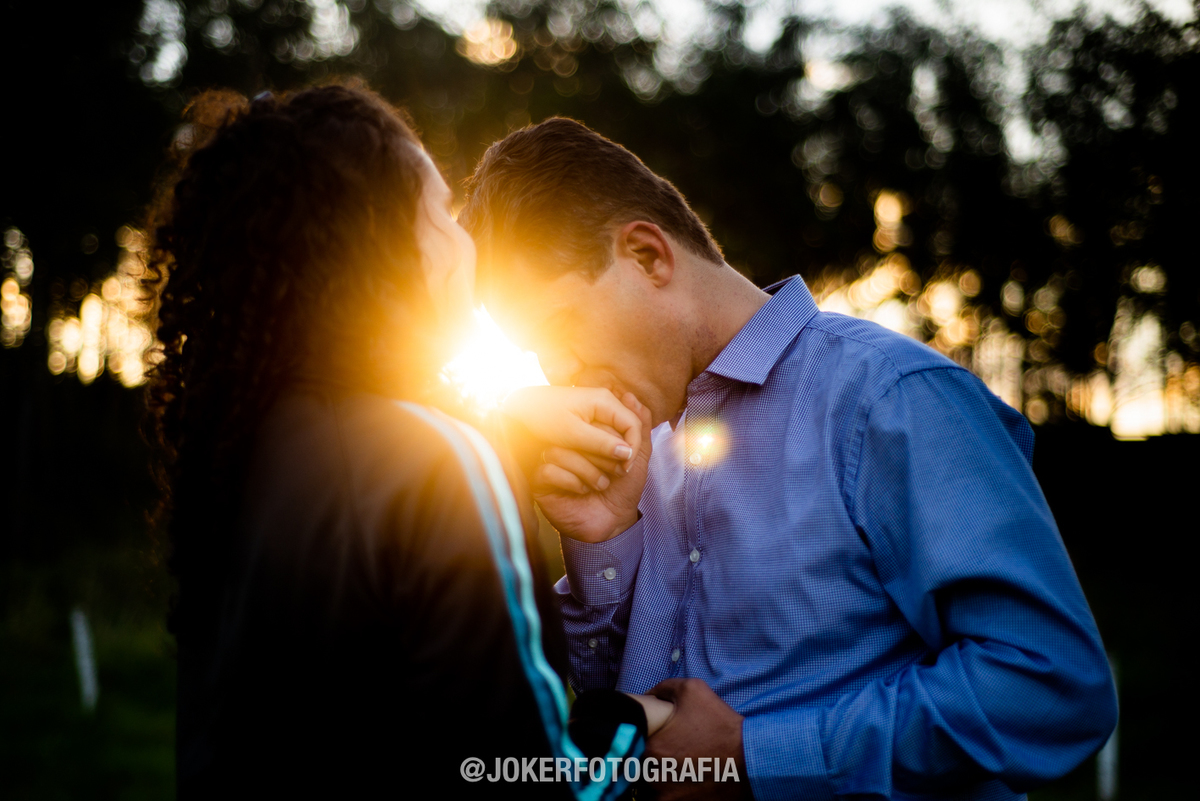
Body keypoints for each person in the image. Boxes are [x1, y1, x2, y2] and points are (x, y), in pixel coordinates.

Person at [458, 117, 1120, 800]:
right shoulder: (634, 449)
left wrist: (757, 755)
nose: (555, 369)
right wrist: (602, 541)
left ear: (649, 256)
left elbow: (1050, 684)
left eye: (559, 327)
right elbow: (620, 719)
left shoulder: (891, 397)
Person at [143, 83, 656, 799]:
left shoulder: (247, 455)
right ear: (381, 247)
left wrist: (504, 426)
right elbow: (533, 775)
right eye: (443, 215)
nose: (466, 240)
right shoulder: (436, 466)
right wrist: (640, 726)